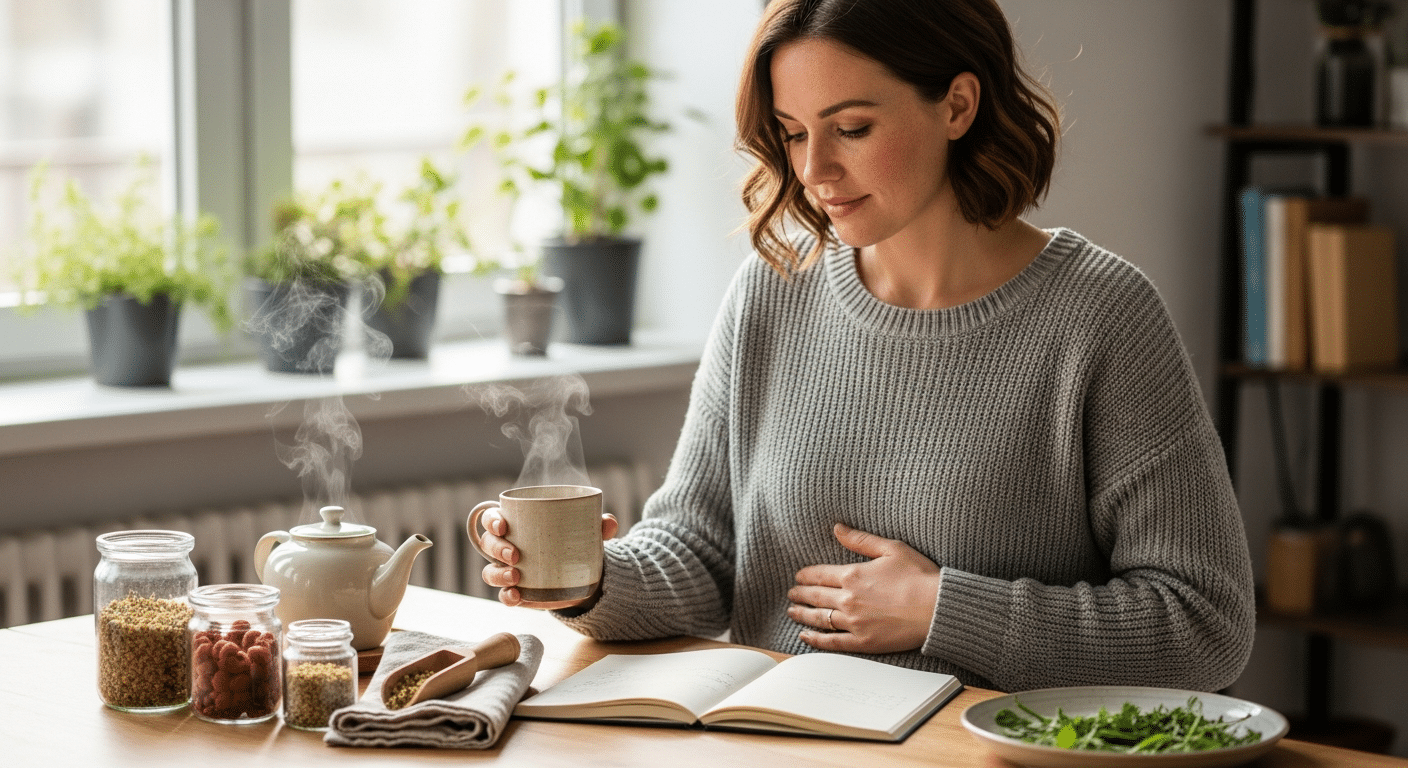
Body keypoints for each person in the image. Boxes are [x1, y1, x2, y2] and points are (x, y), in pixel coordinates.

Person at [479, 0, 1255, 693]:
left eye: (851, 128)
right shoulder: (771, 293)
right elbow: (701, 547)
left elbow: (1204, 626)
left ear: (957, 105)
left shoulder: (1101, 314)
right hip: (778, 748)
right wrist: (588, 583)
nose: (814, 171)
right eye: (792, 134)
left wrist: (944, 610)